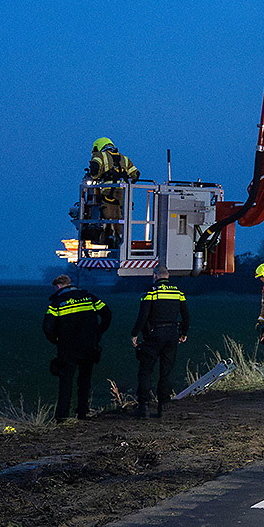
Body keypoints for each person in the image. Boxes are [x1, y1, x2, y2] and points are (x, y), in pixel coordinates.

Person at [43, 274, 111, 423]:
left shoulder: (57, 302)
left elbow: (47, 327)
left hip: (68, 349)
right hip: (89, 347)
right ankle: (82, 413)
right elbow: (107, 313)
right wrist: (98, 333)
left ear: (59, 286)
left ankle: (62, 418)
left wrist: (56, 340)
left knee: (66, 383)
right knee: (85, 381)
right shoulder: (89, 297)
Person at [131, 270, 188, 418]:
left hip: (154, 335)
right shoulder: (178, 292)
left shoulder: (151, 292)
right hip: (172, 334)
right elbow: (186, 315)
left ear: (155, 276)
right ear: (168, 276)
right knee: (166, 372)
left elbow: (143, 315)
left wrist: (135, 333)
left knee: (146, 370)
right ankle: (163, 406)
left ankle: (144, 407)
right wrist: (184, 333)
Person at [87, 138, 140, 247]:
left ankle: (110, 239)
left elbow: (95, 169)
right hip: (124, 194)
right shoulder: (124, 158)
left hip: (108, 192)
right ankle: (121, 241)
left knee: (109, 216)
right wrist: (126, 180)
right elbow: (136, 174)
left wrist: (96, 177)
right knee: (121, 218)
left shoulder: (100, 156)